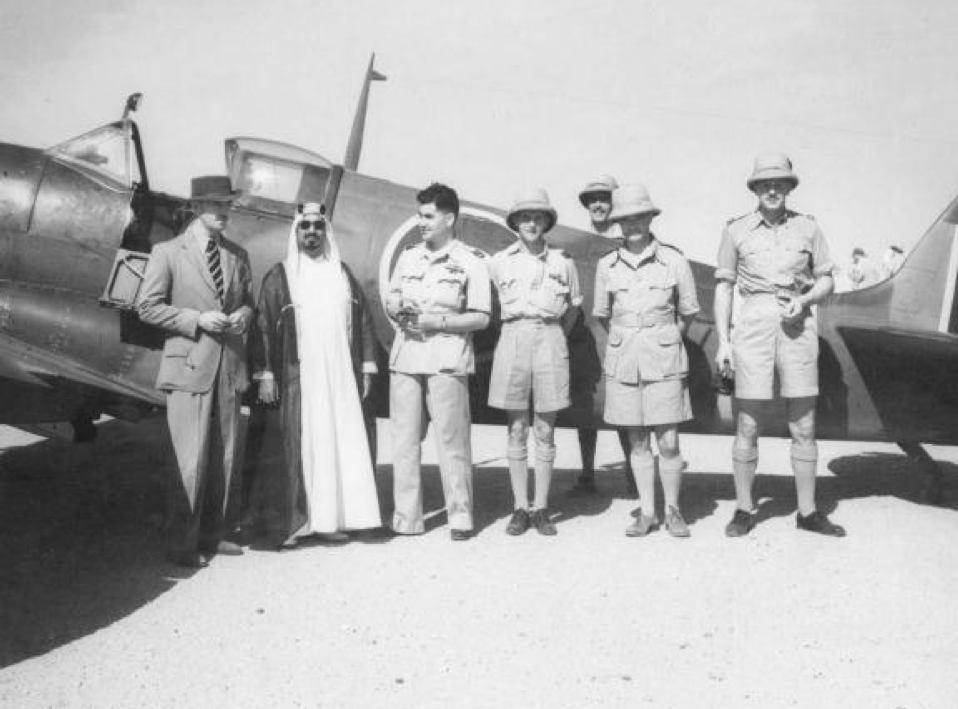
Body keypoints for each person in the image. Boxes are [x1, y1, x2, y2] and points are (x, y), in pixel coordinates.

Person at [714, 153, 845, 537]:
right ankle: (743, 509)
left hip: (797, 325)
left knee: (803, 423)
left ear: (789, 188)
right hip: (752, 325)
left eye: (779, 184)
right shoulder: (735, 230)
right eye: (765, 184)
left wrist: (805, 300)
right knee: (748, 422)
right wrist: (723, 342)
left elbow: (827, 279)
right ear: (755, 189)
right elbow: (723, 287)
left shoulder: (808, 228)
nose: (772, 190)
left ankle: (808, 512)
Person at [137, 175, 254, 568]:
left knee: (226, 457)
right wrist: (196, 319)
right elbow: (147, 307)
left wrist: (243, 315)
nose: (224, 212)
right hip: (188, 366)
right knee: (188, 460)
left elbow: (248, 301)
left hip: (229, 367)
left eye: (228, 205)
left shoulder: (238, 255)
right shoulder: (168, 252)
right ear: (197, 206)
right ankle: (181, 543)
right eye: (217, 204)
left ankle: (216, 534)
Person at [250, 202, 381, 549]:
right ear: (296, 232)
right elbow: (263, 326)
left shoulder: (342, 273)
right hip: (301, 377)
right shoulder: (281, 276)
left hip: (341, 376)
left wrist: (367, 365)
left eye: (318, 226)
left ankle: (335, 520)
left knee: (340, 442)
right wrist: (266, 373)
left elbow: (364, 321)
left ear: (326, 232)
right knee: (305, 444)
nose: (312, 231)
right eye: (305, 226)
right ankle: (300, 523)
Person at [386, 183, 491, 541]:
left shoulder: (471, 261)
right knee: (404, 443)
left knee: (453, 443)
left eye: (429, 216)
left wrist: (436, 321)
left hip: (446, 360)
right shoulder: (408, 257)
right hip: (406, 358)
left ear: (449, 218)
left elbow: (481, 317)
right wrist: (398, 308)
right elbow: (392, 296)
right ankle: (407, 518)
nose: (421, 222)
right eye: (420, 215)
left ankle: (460, 517)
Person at [593, 183, 699, 537]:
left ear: (651, 218)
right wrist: (630, 338)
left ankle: (673, 510)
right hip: (624, 359)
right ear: (617, 224)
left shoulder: (674, 260)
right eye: (625, 219)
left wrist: (662, 337)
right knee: (638, 440)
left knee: (668, 441)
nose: (633, 225)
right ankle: (648, 512)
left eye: (639, 217)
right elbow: (603, 315)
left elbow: (688, 312)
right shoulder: (607, 265)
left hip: (664, 358)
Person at [489, 188, 582, 536]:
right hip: (513, 335)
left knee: (545, 428)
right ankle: (519, 507)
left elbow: (573, 309)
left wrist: (553, 335)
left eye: (538, 217)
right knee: (516, 427)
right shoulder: (500, 261)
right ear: (515, 222)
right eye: (525, 217)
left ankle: (541, 507)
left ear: (547, 222)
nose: (531, 223)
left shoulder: (563, 261)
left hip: (550, 336)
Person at [568, 175, 636, 497]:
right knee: (586, 406)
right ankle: (587, 474)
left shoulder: (630, 240)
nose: (598, 204)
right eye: (592, 199)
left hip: (616, 332)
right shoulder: (574, 243)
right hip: (584, 335)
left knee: (624, 406)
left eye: (604, 198)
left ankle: (634, 474)